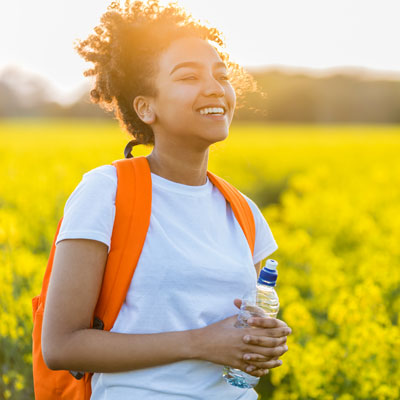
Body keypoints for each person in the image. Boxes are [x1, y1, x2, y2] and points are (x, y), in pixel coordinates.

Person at [41, 1, 292, 399]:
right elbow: (61, 346)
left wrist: (262, 342)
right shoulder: (106, 192)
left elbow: (237, 330)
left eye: (221, 75)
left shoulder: (243, 211)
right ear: (146, 107)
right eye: (188, 76)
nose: (214, 87)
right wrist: (200, 342)